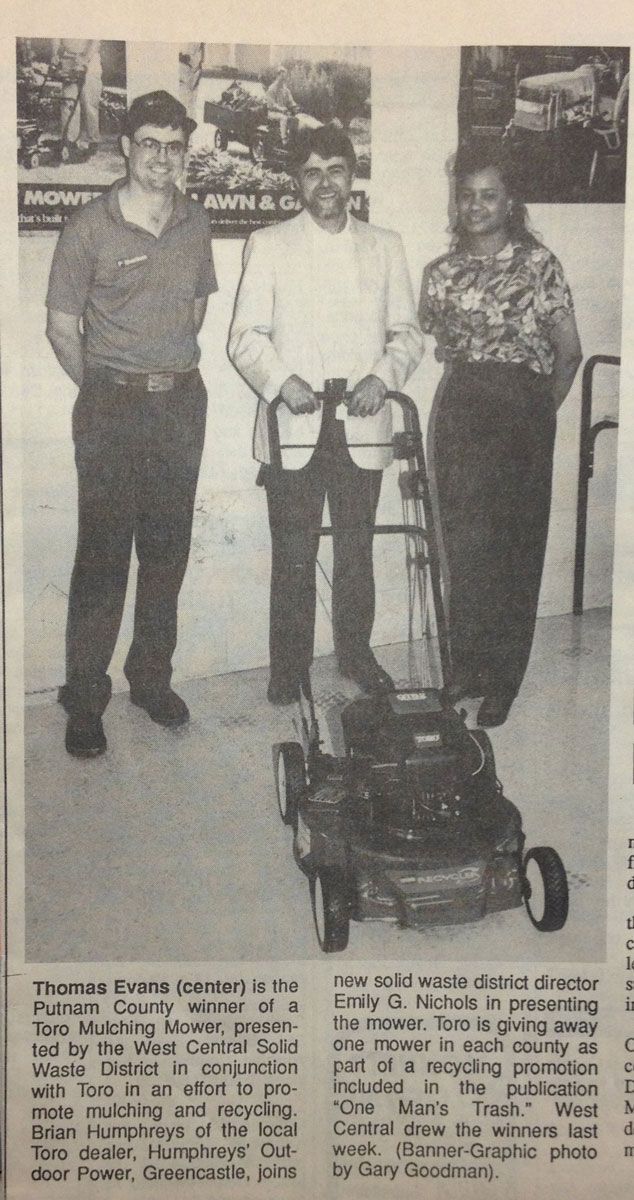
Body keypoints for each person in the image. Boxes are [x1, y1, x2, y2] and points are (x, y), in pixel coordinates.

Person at [46, 90, 217, 757]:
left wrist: (160, 373)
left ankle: (150, 680)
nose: (162, 159)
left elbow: (196, 310)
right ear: (126, 147)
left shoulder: (196, 221)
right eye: (149, 143)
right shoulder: (88, 226)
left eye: (174, 147)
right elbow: (62, 328)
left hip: (179, 402)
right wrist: (108, 387)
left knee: (167, 553)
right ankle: (86, 700)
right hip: (112, 406)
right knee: (102, 557)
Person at [229, 124, 423, 704]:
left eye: (335, 169)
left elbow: (408, 335)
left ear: (352, 175)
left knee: (357, 551)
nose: (325, 183)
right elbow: (244, 337)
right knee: (293, 554)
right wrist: (279, 380)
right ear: (297, 181)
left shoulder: (385, 244)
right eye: (312, 172)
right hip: (296, 424)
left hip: (361, 423)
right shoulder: (268, 243)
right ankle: (288, 668)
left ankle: (357, 656)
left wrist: (381, 380)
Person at [419, 143, 582, 728]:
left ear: (510, 201)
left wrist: (538, 414)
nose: (477, 207)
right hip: (461, 412)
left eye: (489, 196)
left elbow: (570, 355)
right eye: (467, 196)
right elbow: (441, 344)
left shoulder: (539, 265)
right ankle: (466, 668)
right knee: (463, 547)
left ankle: (503, 680)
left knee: (513, 550)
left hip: (522, 417)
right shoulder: (441, 273)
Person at [50, 39, 103, 162]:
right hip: (68, 58)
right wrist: (54, 54)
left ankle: (93, 142)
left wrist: (85, 58)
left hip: (90, 59)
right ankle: (70, 141)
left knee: (89, 103)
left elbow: (95, 41)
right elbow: (55, 37)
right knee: (68, 102)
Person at [263, 65, 298, 144]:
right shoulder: (271, 89)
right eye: (282, 77)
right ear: (277, 76)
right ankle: (284, 139)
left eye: (284, 78)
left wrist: (295, 106)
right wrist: (280, 108)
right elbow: (271, 104)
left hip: (284, 112)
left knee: (296, 119)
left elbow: (291, 101)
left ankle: (294, 138)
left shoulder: (286, 90)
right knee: (284, 118)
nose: (283, 79)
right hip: (272, 113)